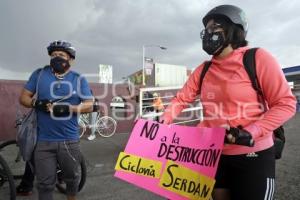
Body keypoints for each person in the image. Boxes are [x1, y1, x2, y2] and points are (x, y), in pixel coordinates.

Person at [161, 5, 296, 200]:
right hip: (212, 156)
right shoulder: (204, 69)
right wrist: (162, 121)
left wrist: (252, 131)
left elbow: (285, 103)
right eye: (206, 30)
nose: (208, 33)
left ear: (234, 29)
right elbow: (182, 99)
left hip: (253, 155)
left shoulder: (257, 58)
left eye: (214, 27)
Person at [19, 40, 93, 200]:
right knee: (44, 185)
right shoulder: (39, 75)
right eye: (53, 55)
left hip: (69, 140)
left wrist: (68, 108)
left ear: (70, 59)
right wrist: (35, 103)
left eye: (61, 55)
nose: (56, 57)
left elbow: (89, 104)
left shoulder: (78, 78)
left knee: (72, 179)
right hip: (42, 141)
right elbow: (23, 97)